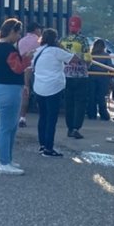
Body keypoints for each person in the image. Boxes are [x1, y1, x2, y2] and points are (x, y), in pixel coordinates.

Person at [0, 18, 32, 175]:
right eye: (18, 32)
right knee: (6, 128)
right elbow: (18, 68)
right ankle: (4, 163)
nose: (19, 36)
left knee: (10, 127)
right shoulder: (8, 49)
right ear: (12, 32)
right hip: (9, 90)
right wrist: (28, 57)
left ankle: (7, 159)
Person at [31, 29, 79, 157]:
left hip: (39, 87)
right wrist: (63, 47)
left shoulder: (38, 51)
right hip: (53, 88)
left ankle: (42, 145)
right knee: (51, 119)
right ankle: (49, 148)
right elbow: (75, 59)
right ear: (55, 39)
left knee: (43, 117)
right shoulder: (57, 51)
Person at [59, 16, 91, 139]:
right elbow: (88, 58)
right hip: (81, 75)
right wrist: (85, 64)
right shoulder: (83, 40)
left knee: (69, 103)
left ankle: (69, 127)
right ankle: (76, 128)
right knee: (80, 103)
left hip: (66, 75)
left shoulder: (63, 40)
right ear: (80, 28)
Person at [16, 22, 42, 127]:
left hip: (24, 69)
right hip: (37, 70)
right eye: (39, 29)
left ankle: (22, 117)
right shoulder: (39, 41)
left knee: (25, 93)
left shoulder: (21, 41)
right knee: (41, 93)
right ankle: (42, 116)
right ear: (36, 29)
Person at [87, 38, 112, 120]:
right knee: (101, 97)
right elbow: (110, 67)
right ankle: (104, 115)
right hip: (103, 77)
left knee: (91, 96)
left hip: (91, 76)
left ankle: (91, 114)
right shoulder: (106, 55)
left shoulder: (90, 55)